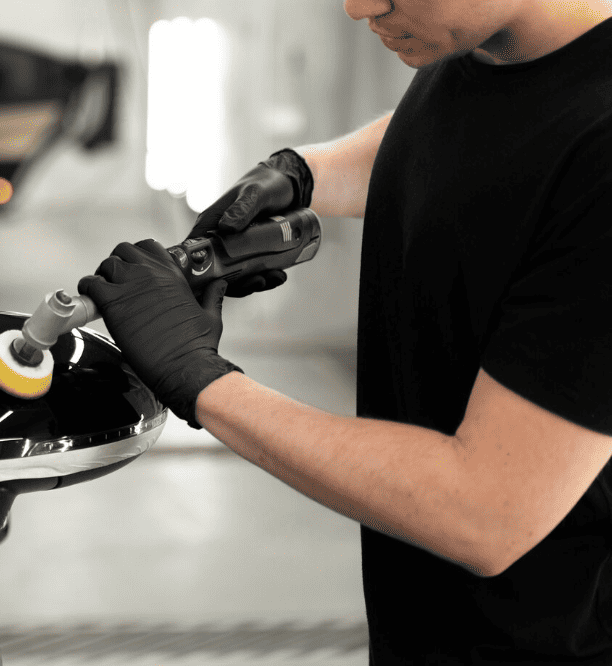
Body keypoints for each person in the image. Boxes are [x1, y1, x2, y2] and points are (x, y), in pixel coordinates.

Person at [78, 1, 612, 663]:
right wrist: (301, 173)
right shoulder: (485, 44)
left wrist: (200, 380)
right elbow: (474, 135)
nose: (359, 6)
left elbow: (487, 511)